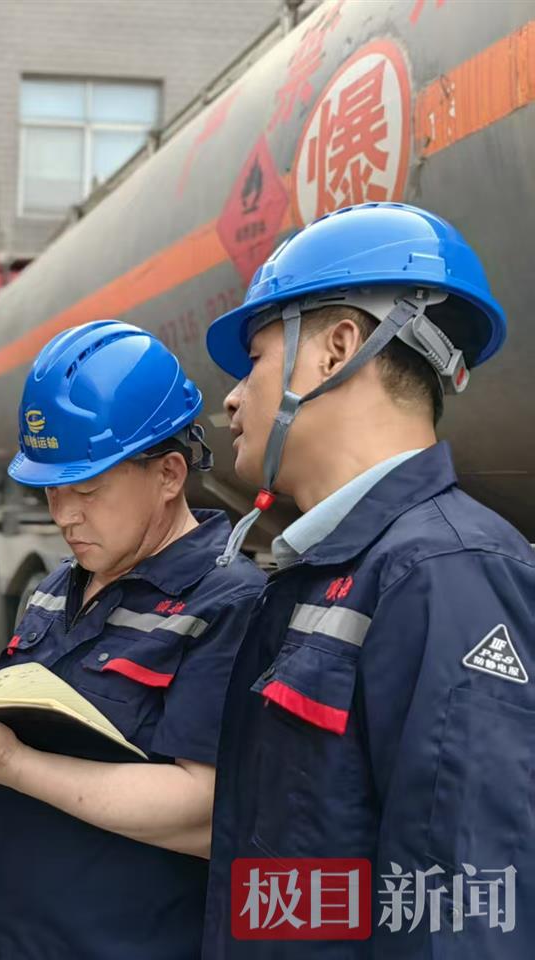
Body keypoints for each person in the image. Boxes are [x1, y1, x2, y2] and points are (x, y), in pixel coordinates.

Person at [202, 202, 534, 957]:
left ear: (336, 350)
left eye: (254, 359)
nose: (232, 396)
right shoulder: (326, 571)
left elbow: (462, 922)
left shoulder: (448, 575)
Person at [0, 320, 265, 958]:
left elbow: (205, 811)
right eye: (52, 491)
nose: (64, 516)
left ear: (169, 474)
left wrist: (11, 764)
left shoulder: (227, 604)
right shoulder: (61, 583)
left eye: (86, 489)